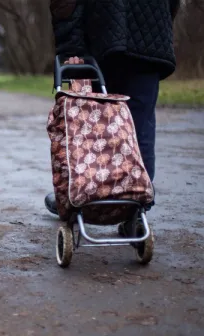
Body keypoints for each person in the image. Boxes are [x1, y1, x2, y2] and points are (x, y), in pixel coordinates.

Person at [45, 0, 180, 234]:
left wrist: (70, 47)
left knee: (88, 121)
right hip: (150, 31)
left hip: (101, 30)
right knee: (139, 123)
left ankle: (79, 195)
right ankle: (136, 208)